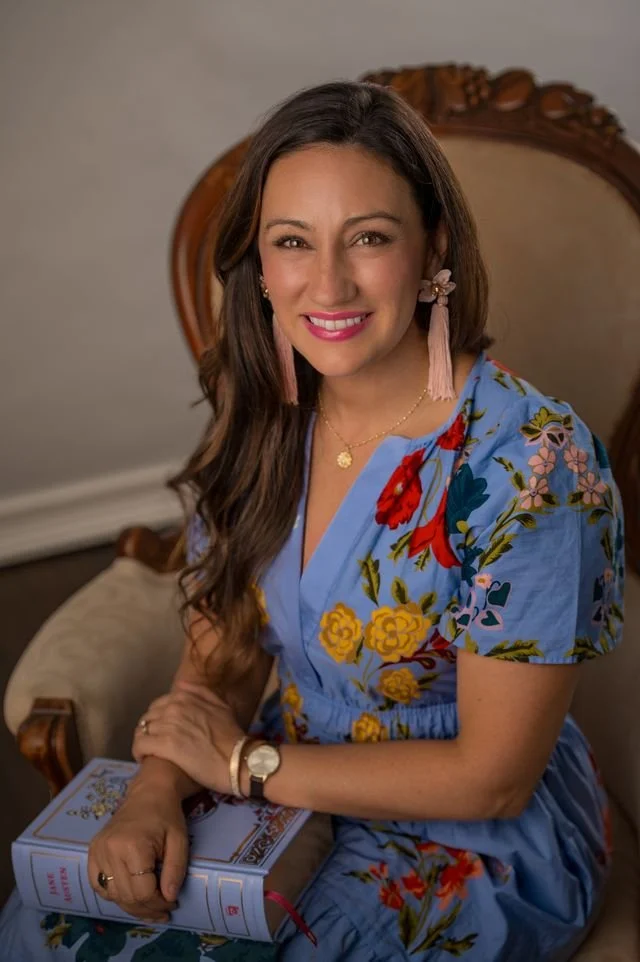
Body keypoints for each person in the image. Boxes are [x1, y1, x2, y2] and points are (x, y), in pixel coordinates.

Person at [87, 81, 623, 961]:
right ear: (261, 265)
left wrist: (242, 766)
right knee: (55, 930)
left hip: (473, 844)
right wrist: (153, 791)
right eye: (292, 241)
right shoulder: (265, 417)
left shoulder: (533, 464)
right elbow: (222, 658)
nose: (328, 283)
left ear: (433, 247)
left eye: (368, 238)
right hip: (278, 786)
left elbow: (492, 780)